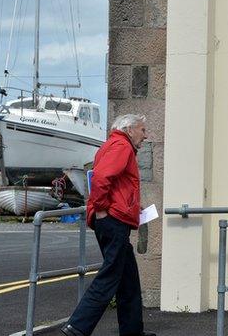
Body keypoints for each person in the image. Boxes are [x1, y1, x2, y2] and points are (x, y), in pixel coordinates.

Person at [62, 114, 155, 336]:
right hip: (113, 221)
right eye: (142, 130)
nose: (145, 135)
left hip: (112, 218)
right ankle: (77, 326)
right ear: (130, 129)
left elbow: (114, 185)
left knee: (128, 279)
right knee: (111, 275)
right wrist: (102, 209)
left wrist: (133, 207)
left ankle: (132, 331)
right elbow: (101, 179)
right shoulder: (122, 146)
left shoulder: (113, 145)